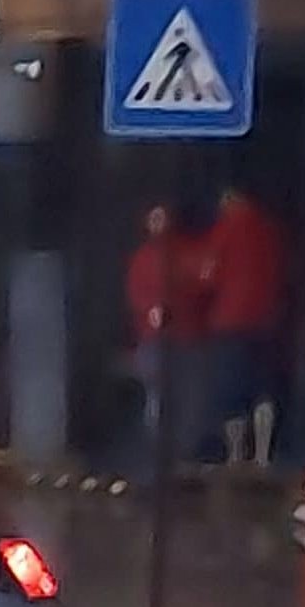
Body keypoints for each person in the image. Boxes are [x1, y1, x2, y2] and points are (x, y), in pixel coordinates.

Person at [195, 181, 289, 470]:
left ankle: (235, 456)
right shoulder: (270, 229)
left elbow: (207, 274)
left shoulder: (225, 228)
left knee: (231, 391)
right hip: (266, 319)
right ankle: (262, 455)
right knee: (263, 388)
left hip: (230, 320)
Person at [123, 202, 213, 474]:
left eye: (162, 217)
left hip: (187, 337)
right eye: (154, 218)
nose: (158, 224)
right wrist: (150, 310)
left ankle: (181, 454)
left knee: (188, 398)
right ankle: (159, 453)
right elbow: (136, 294)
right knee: (158, 396)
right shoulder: (143, 258)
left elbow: (202, 283)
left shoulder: (187, 252)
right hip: (155, 340)